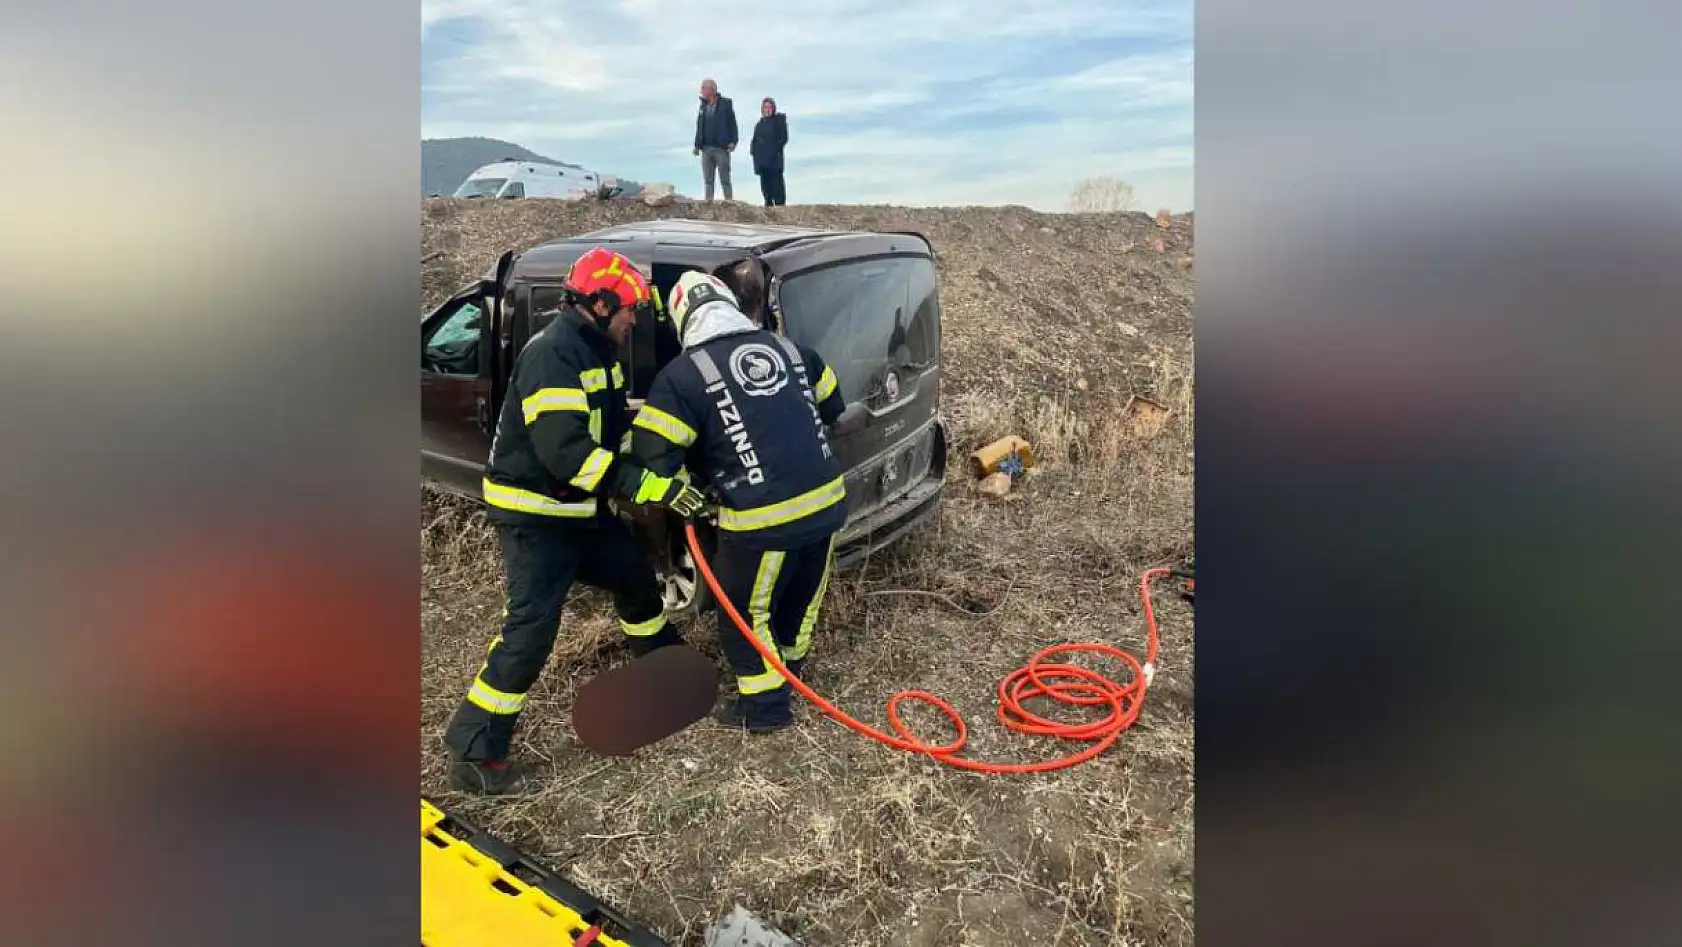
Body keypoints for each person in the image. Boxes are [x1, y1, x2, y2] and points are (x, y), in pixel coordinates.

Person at [443, 247, 706, 795]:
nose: (635, 319)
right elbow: (568, 453)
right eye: (630, 308)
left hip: (578, 511)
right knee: (532, 630)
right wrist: (646, 486)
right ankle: (473, 747)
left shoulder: (597, 351)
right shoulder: (554, 356)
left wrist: (659, 452)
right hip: (536, 517)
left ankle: (663, 667)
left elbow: (610, 432)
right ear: (601, 304)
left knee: (634, 574)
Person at [628, 271, 858, 732]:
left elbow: (651, 453)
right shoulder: (794, 350)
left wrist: (697, 477)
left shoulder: (682, 376)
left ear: (681, 321)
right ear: (731, 304)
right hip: (827, 504)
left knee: (745, 615)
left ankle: (766, 708)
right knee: (800, 600)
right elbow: (834, 408)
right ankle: (791, 674)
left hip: (760, 522)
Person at [693, 78, 738, 202]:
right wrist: (697, 145)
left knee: (725, 179)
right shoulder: (703, 105)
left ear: (711, 89)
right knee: (708, 180)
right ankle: (708, 203)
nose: (701, 90)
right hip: (706, 148)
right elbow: (699, 125)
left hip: (721, 148)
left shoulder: (726, 104)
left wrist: (733, 141)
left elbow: (732, 124)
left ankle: (729, 203)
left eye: (703, 88)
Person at [750, 97, 789, 207]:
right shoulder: (759, 124)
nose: (767, 110)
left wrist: (773, 151)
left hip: (774, 160)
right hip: (762, 161)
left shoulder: (778, 121)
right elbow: (755, 140)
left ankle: (780, 206)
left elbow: (783, 139)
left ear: (773, 108)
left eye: (769, 107)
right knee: (765, 186)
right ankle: (768, 203)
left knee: (777, 184)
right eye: (765, 107)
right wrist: (753, 151)